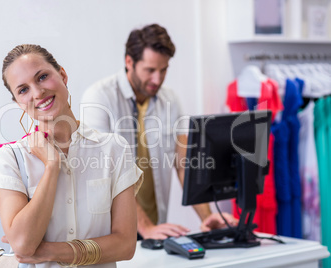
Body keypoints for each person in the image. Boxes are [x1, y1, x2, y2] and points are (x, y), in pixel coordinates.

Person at [0, 44, 143, 267]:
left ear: (63, 75)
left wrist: (50, 251)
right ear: (18, 103)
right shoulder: (9, 159)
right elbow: (23, 245)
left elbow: (125, 246)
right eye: (23, 90)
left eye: (42, 77)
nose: (37, 93)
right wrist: (51, 166)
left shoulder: (113, 148)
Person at [81, 24, 237, 240]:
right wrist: (144, 227)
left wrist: (206, 217)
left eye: (163, 70)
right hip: (110, 232)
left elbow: (184, 165)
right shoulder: (98, 98)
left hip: (155, 229)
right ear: (129, 62)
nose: (158, 79)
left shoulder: (170, 100)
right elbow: (105, 171)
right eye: (150, 70)